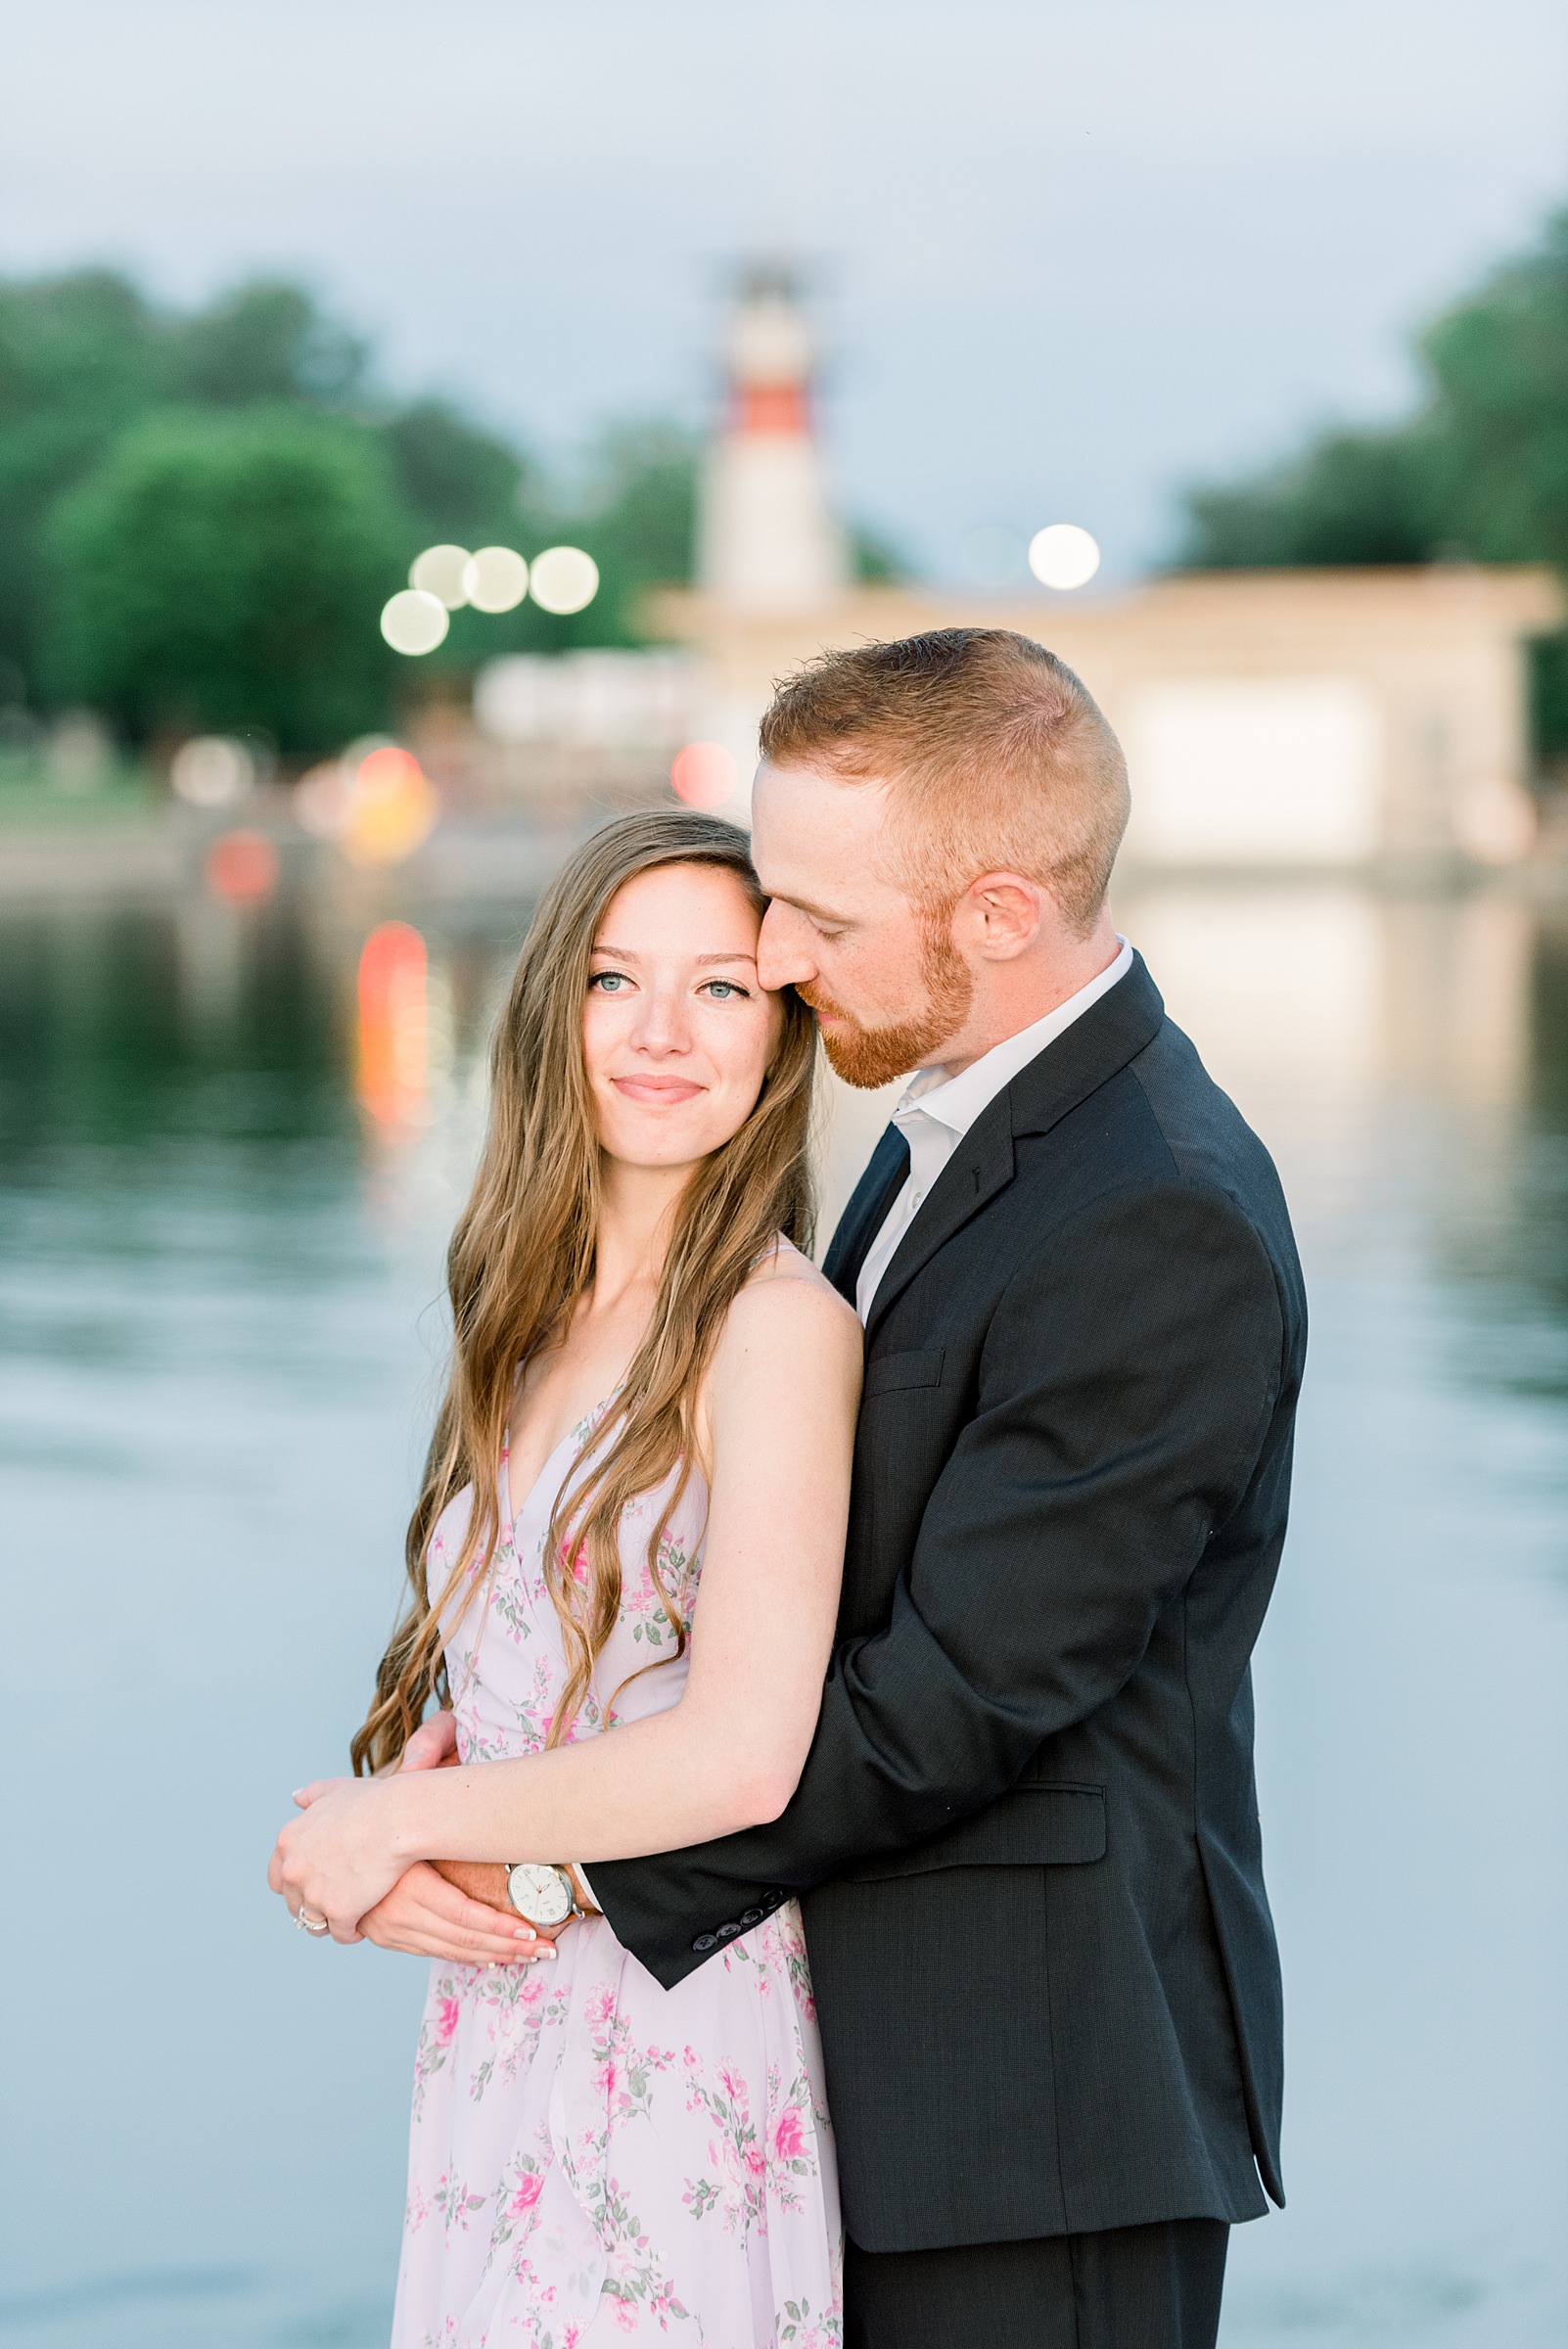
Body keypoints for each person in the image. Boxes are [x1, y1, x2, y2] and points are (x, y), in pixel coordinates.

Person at [276, 627, 1307, 2349]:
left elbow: (952, 1702)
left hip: (1028, 2102)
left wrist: (514, 1868)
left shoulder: (1157, 1208)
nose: (772, 953)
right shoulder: (929, 1130)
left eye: (808, 922)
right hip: (813, 2055)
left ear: (991, 914)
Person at [273, 808, 860, 2344]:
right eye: (616, 980)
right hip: (500, 2011)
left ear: (784, 1029)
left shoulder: (774, 1327)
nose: (663, 1033)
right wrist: (403, 1842)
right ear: (554, 1008)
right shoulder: (525, 1307)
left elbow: (743, 1755)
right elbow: (522, 1674)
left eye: (723, 990)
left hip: (670, 2027)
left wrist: (394, 1824)